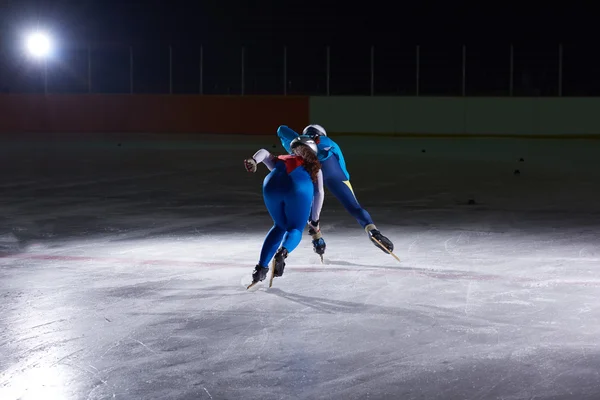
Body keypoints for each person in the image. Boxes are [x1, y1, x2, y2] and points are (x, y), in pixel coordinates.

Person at [277, 124, 394, 257]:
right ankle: (373, 231)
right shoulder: (328, 141)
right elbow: (342, 166)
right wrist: (343, 180)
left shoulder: (296, 142)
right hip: (334, 170)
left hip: (310, 169)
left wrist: (299, 138)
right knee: (354, 207)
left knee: (312, 204)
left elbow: (281, 129)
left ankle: (317, 238)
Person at [244, 135, 324, 287]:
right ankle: (282, 253)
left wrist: (254, 160)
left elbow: (264, 152)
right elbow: (319, 192)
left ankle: (260, 268)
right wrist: (315, 220)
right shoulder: (314, 166)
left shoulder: (281, 158)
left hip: (271, 185)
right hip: (298, 188)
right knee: (295, 228)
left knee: (279, 226)